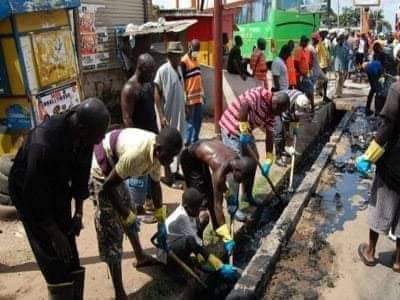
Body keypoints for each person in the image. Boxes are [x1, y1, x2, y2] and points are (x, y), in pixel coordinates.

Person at [9, 98, 110, 299]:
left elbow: (81, 175)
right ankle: (59, 286)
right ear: (81, 128)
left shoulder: (86, 135)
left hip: (58, 187)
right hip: (29, 193)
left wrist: (79, 212)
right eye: (96, 137)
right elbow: (34, 195)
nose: (99, 142)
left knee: (69, 250)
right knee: (52, 252)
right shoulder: (44, 142)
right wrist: (53, 232)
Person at [91, 127, 183, 300]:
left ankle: (140, 257)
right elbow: (108, 186)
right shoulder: (137, 154)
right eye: (170, 156)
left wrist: (161, 220)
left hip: (117, 169)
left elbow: (155, 186)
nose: (170, 161)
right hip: (102, 173)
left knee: (130, 209)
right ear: (159, 149)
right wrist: (125, 214)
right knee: (112, 233)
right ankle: (120, 293)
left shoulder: (157, 154)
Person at [219, 87, 290, 218]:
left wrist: (269, 159)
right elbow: (245, 105)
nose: (277, 114)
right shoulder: (260, 94)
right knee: (237, 167)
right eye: (278, 111)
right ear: (275, 103)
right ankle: (233, 208)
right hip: (231, 127)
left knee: (253, 160)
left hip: (246, 131)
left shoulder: (272, 113)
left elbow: (270, 134)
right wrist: (243, 127)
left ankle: (247, 195)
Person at [180, 139, 257, 252]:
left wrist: (228, 194)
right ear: (238, 171)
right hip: (189, 160)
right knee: (202, 203)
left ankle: (218, 230)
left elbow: (220, 188)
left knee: (211, 193)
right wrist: (227, 237)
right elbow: (218, 206)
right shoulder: (220, 169)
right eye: (240, 179)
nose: (239, 183)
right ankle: (197, 243)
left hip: (200, 155)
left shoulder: (235, 159)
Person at [356, 81, 400, 274]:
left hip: (394, 162)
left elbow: (388, 125)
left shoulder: (398, 88)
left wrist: (369, 154)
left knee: (381, 203)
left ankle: (371, 251)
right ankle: (399, 261)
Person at [166, 187, 239, 281]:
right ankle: (173, 269)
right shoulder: (182, 219)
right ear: (187, 207)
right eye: (196, 209)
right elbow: (196, 242)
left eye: (199, 207)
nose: (198, 211)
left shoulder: (187, 211)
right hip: (168, 254)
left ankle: (196, 260)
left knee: (203, 218)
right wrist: (219, 266)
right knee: (191, 240)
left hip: (177, 243)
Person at [121, 53, 158, 222]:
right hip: (138, 139)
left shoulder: (148, 84)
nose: (152, 75)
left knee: (152, 172)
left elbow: (152, 107)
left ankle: (149, 201)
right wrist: (136, 142)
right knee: (138, 174)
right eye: (150, 71)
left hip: (152, 135)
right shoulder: (130, 88)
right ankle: (138, 208)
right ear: (140, 69)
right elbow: (127, 117)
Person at [154, 41, 186, 188]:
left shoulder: (178, 68)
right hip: (168, 114)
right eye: (175, 55)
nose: (178, 58)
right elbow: (157, 93)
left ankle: (176, 171)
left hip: (179, 113)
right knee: (167, 145)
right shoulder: (163, 70)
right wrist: (161, 115)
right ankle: (168, 177)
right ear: (169, 55)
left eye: (179, 55)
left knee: (179, 142)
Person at [273, 89, 311, 166]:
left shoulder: (303, 99)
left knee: (287, 132)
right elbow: (285, 119)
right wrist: (287, 132)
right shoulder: (288, 103)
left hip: (285, 106)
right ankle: (278, 157)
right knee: (279, 132)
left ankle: (285, 150)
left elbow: (298, 116)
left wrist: (295, 127)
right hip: (275, 107)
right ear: (296, 104)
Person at [181, 39, 204, 146]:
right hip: (189, 97)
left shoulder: (196, 59)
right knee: (190, 121)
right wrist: (184, 98)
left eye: (198, 50)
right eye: (195, 49)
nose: (197, 52)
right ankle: (187, 142)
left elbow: (198, 77)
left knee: (198, 119)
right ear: (190, 47)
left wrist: (203, 93)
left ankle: (194, 140)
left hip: (198, 96)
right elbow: (182, 80)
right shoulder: (184, 61)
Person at [294, 35, 314, 112]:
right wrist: (301, 73)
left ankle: (304, 108)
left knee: (303, 91)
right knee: (310, 90)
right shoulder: (298, 50)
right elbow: (296, 63)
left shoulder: (303, 50)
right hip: (300, 76)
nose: (306, 43)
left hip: (304, 75)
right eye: (305, 41)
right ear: (302, 41)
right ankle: (312, 108)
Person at [310, 32, 329, 101]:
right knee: (319, 81)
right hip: (320, 65)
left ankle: (322, 95)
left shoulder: (321, 43)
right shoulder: (317, 45)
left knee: (324, 80)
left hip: (323, 65)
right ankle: (319, 94)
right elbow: (316, 53)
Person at [333, 33, 349, 98]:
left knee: (341, 80)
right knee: (337, 79)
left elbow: (347, 58)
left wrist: (346, 68)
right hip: (337, 66)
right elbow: (333, 55)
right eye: (340, 40)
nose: (341, 41)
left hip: (343, 66)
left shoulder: (346, 48)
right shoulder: (335, 47)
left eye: (342, 40)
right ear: (338, 40)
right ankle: (336, 93)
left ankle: (340, 93)